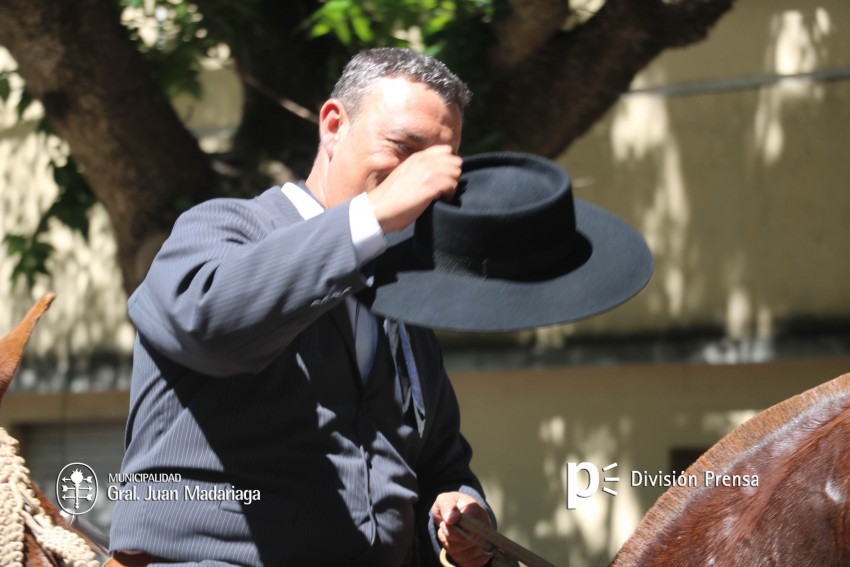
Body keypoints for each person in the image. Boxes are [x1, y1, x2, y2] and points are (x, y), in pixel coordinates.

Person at [109, 47, 496, 567]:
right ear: (334, 126)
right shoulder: (222, 228)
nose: (425, 180)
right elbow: (210, 323)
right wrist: (372, 216)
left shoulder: (402, 300)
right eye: (405, 148)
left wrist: (460, 516)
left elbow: (437, 465)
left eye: (440, 163)